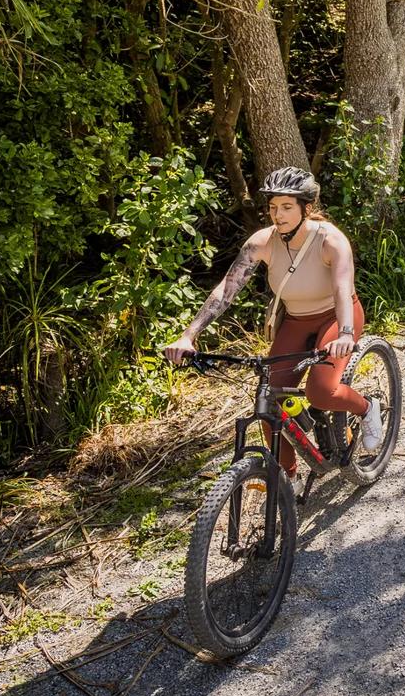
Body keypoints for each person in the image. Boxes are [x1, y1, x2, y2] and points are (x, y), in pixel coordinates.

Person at [164, 167, 383, 470]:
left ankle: (367, 407)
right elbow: (226, 290)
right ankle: (284, 480)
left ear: (307, 208)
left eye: (286, 207)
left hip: (335, 316)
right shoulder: (261, 242)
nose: (277, 215)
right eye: (272, 207)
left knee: (320, 391)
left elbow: (343, 290)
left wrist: (345, 335)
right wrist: (189, 335)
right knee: (268, 398)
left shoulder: (331, 241)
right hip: (295, 320)